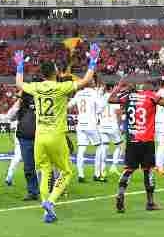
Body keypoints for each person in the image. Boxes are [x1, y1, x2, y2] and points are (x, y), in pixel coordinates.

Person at [14, 44, 100, 223]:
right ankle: (51, 202)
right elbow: (86, 80)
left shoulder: (36, 87)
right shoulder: (62, 87)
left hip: (40, 137)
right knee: (66, 172)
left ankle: (46, 208)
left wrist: (20, 66)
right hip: (56, 135)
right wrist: (93, 61)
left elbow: (19, 84)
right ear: (55, 72)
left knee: (45, 171)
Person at [108, 76, 164, 212]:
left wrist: (117, 88)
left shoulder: (130, 96)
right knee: (148, 170)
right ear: (150, 87)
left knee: (128, 169)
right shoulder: (151, 96)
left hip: (132, 140)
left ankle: (121, 193)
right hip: (146, 140)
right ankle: (150, 202)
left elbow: (110, 100)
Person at [68, 79, 105, 183]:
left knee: (81, 149)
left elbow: (69, 105)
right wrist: (96, 113)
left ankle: (81, 175)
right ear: (91, 84)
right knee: (99, 146)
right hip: (91, 124)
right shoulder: (94, 93)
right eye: (93, 82)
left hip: (81, 124)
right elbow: (102, 106)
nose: (94, 83)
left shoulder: (79, 93)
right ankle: (97, 174)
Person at [6, 91, 39, 200]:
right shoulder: (21, 105)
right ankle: (33, 191)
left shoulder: (41, 102)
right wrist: (18, 103)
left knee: (44, 165)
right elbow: (9, 116)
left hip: (41, 137)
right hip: (25, 138)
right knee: (29, 167)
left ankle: (48, 189)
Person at [96, 84, 124, 179]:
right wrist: (120, 126)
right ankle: (113, 166)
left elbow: (98, 111)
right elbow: (118, 114)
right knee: (120, 146)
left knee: (104, 148)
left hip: (102, 126)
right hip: (112, 126)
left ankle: (102, 172)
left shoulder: (101, 98)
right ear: (112, 88)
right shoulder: (114, 98)